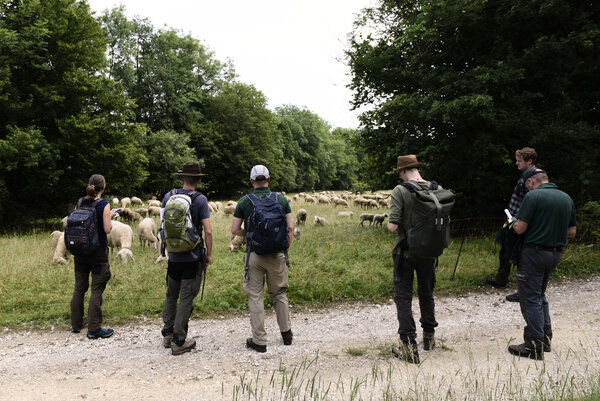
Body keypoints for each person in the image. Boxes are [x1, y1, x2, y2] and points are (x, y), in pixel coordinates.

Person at [508, 168, 576, 360]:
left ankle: (533, 344)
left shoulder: (533, 197)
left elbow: (520, 229)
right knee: (539, 295)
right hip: (555, 253)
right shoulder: (566, 198)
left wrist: (512, 222)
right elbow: (571, 233)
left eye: (526, 186)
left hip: (533, 253)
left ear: (531, 182)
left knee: (529, 297)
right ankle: (545, 338)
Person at [231, 165, 294, 353]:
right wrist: (284, 247)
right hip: (277, 255)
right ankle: (287, 334)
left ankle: (259, 341)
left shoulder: (245, 202)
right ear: (269, 179)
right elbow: (290, 229)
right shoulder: (281, 199)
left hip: (254, 255)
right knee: (279, 294)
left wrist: (250, 235)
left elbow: (234, 230)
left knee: (256, 296)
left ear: (251, 181)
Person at [387, 154, 440, 364]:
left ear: (402, 172)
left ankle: (408, 345)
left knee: (403, 297)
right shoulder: (435, 188)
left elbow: (393, 226)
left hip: (406, 253)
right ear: (417, 168)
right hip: (429, 252)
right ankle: (429, 337)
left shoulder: (400, 190)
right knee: (427, 293)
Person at [160, 162, 213, 355]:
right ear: (198, 180)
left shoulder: (168, 196)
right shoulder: (200, 200)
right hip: (192, 257)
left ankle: (168, 334)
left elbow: (162, 224)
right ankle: (179, 340)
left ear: (181, 178)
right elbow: (208, 230)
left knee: (171, 295)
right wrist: (208, 255)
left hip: (173, 256)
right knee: (186, 297)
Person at [484, 147, 537, 302]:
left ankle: (523, 290)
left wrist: (521, 220)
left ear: (530, 161)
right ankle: (501, 278)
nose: (516, 163)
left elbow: (531, 202)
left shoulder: (533, 179)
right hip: (512, 218)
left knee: (520, 253)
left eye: (519, 160)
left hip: (520, 220)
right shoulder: (526, 176)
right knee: (506, 248)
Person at [70, 174, 116, 339]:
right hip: (97, 253)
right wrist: (109, 216)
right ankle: (94, 328)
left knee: (79, 288)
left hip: (80, 251)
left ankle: (76, 324)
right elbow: (107, 229)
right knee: (97, 288)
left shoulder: (80, 202)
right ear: (103, 188)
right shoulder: (103, 204)